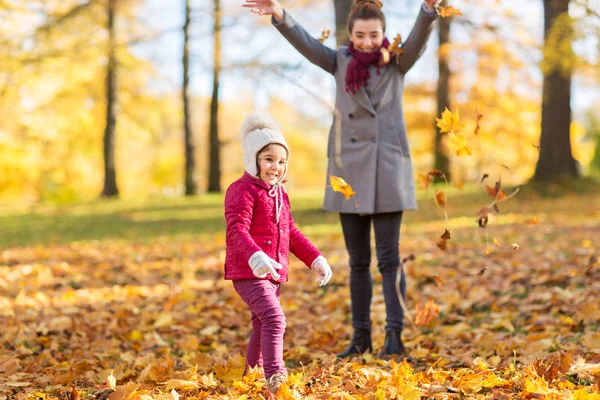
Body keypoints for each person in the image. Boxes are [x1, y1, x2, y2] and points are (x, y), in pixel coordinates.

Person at [243, 0, 440, 358]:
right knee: (358, 261)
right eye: (360, 35)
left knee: (390, 259)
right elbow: (307, 45)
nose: (367, 41)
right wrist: (280, 15)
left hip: (387, 168)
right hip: (347, 172)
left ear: (383, 35)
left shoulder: (397, 62)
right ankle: (361, 337)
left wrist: (427, 10)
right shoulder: (339, 61)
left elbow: (417, 41)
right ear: (350, 35)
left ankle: (394, 337)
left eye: (374, 35)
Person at [224, 112, 333, 394]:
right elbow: (236, 230)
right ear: (253, 159)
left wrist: (315, 258)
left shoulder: (280, 195)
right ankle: (276, 376)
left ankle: (251, 374)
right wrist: (255, 256)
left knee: (262, 324)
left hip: (273, 273)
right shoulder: (241, 190)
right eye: (268, 159)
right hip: (249, 270)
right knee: (275, 318)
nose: (276, 166)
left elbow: (291, 233)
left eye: (282, 161)